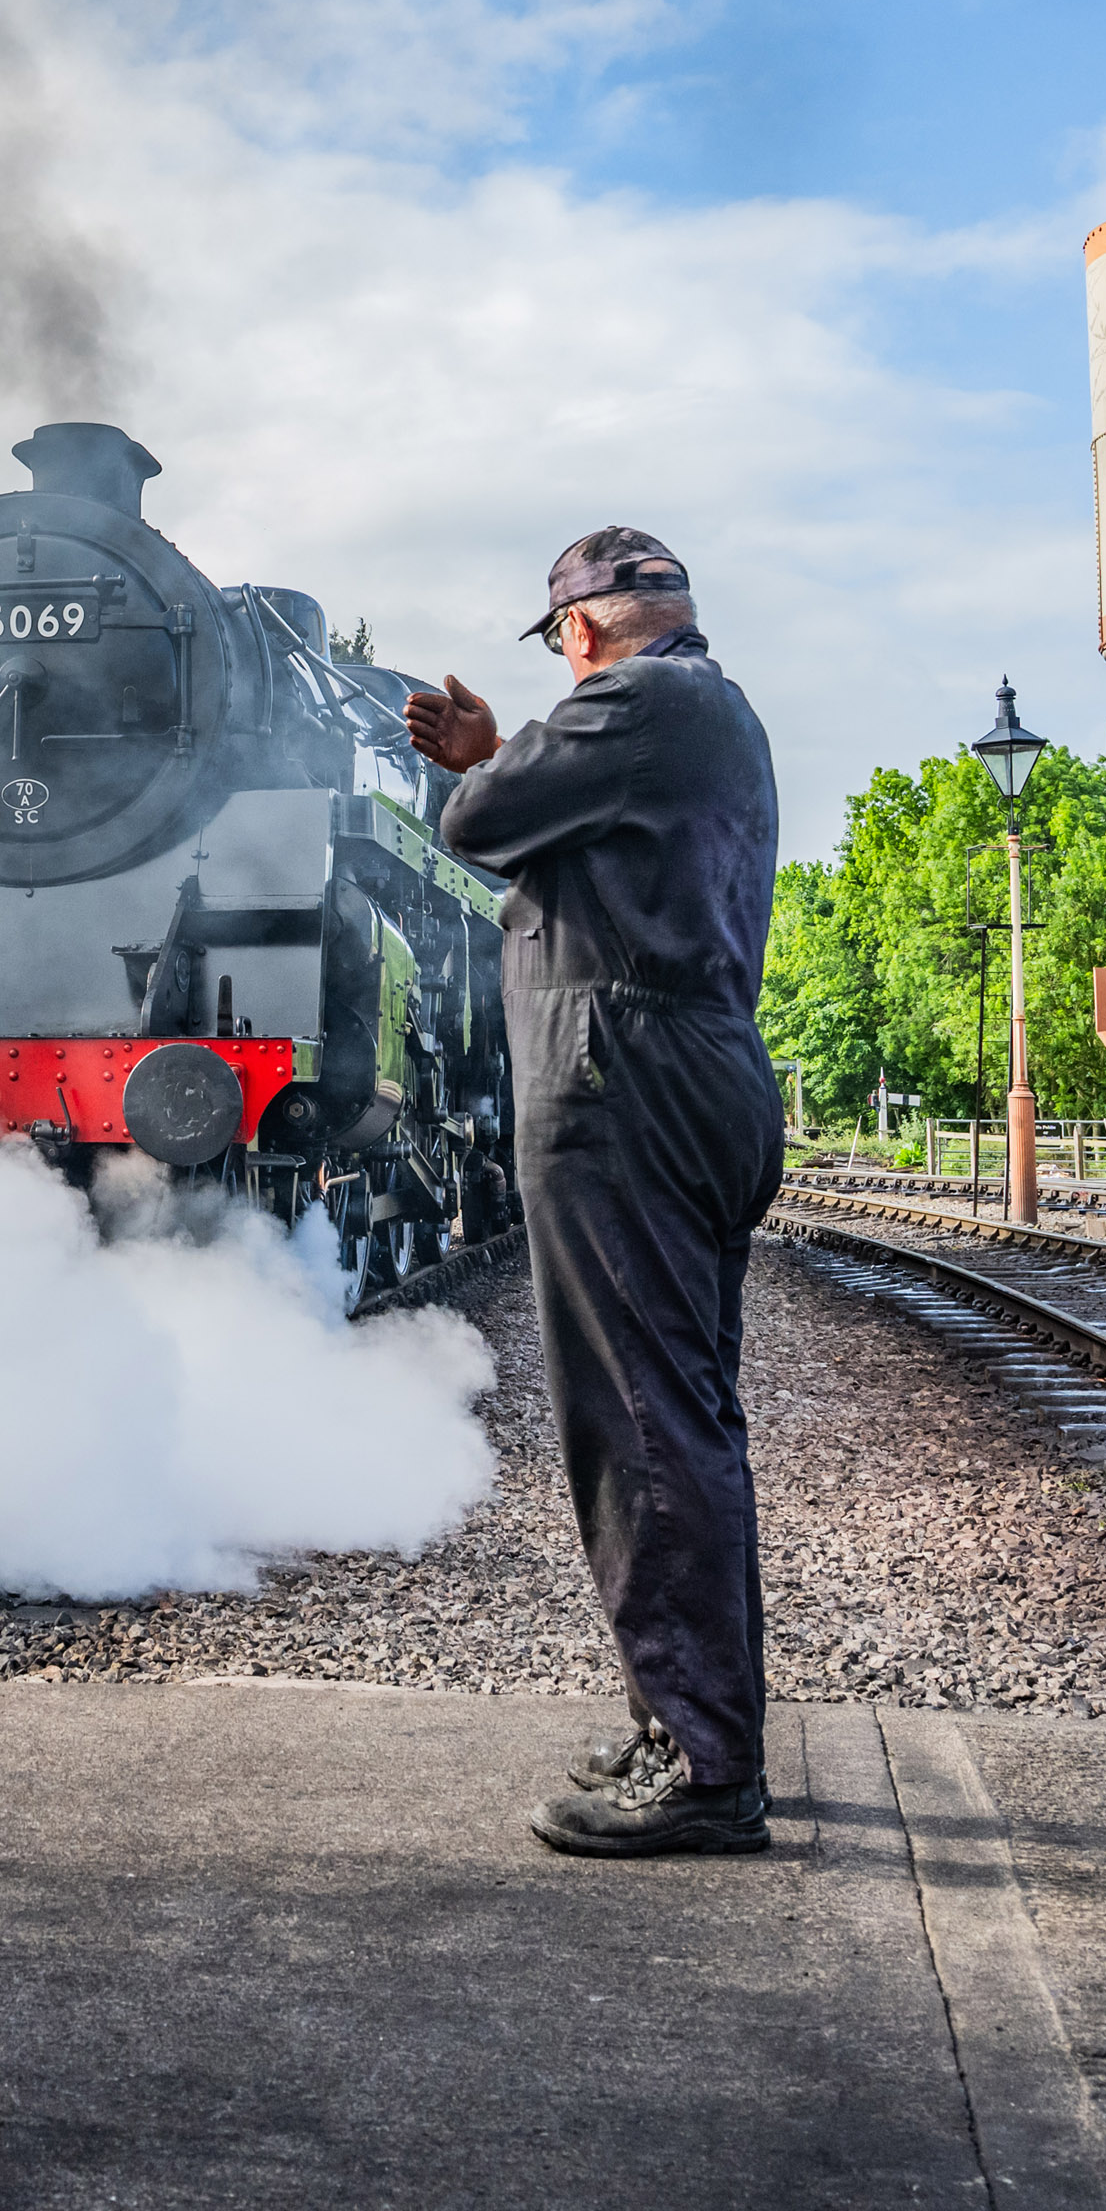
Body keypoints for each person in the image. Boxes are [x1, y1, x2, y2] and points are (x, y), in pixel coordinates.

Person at [403, 527, 783, 1858]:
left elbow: (478, 822)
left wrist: (481, 759)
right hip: (679, 1066)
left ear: (578, 628)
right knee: (676, 1410)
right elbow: (533, 829)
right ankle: (688, 1723)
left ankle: (704, 1767)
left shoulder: (638, 699)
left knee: (638, 1421)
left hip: (624, 1074)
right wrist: (507, 759)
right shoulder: (696, 711)